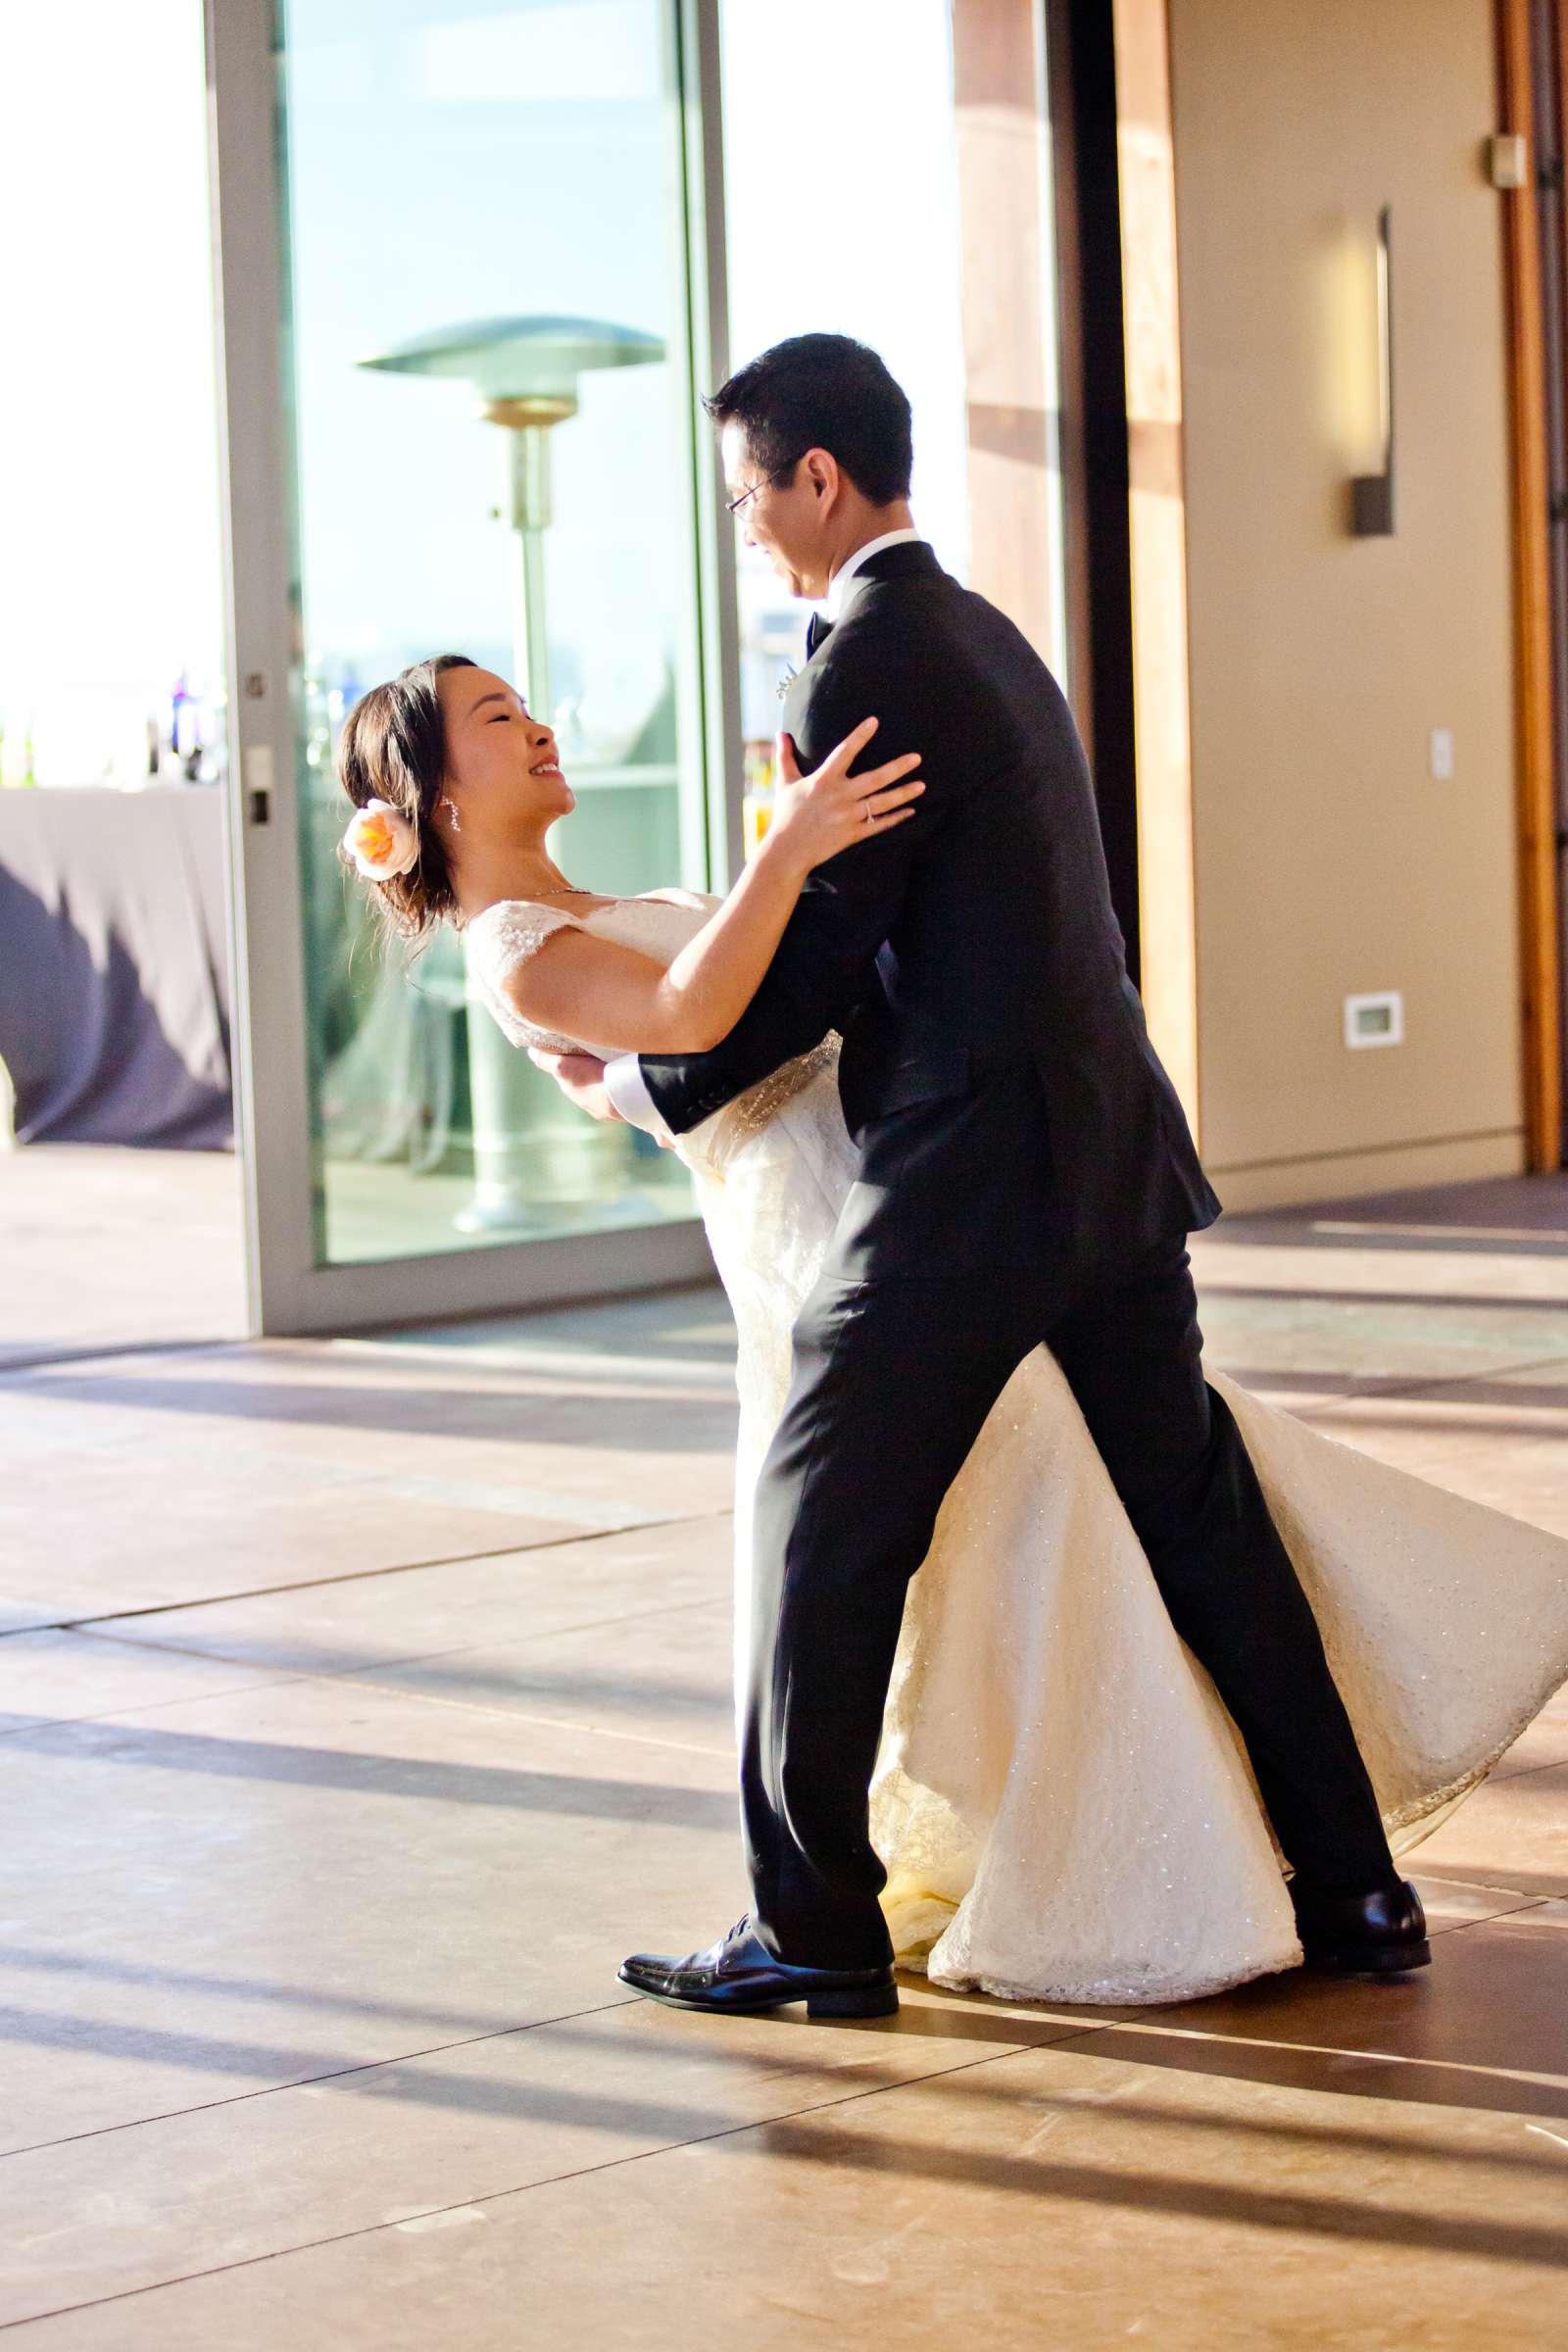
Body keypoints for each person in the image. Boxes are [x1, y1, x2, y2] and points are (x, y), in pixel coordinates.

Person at [339, 339, 1568, 2014]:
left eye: (744, 493)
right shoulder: (989, 637)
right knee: (1197, 1523)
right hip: (1109, 1159)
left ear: (814, 482)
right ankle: (1356, 1893)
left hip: (966, 1184)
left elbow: (823, 966)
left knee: (817, 1523)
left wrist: (644, 1083)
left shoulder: (856, 667)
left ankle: (814, 1928)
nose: (746, 527)